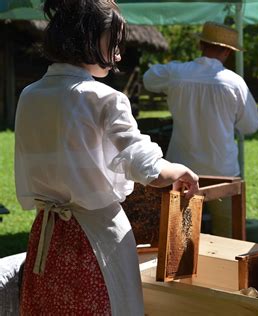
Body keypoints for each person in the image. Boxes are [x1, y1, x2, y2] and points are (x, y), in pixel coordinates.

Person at [14, 1, 199, 314]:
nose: (118, 55)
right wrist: (177, 169)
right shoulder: (103, 98)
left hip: (47, 236)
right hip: (97, 237)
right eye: (113, 43)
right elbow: (147, 167)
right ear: (87, 38)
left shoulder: (30, 95)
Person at [143, 21, 258, 237]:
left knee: (180, 235)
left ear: (200, 44)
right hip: (222, 169)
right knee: (226, 235)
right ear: (227, 51)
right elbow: (250, 125)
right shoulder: (235, 83)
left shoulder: (176, 73)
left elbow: (148, 79)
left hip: (181, 168)